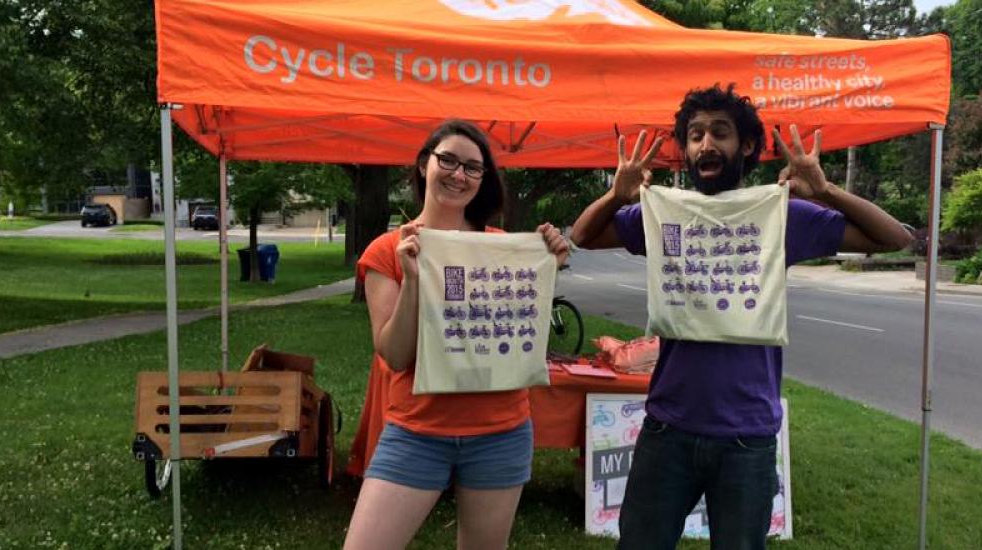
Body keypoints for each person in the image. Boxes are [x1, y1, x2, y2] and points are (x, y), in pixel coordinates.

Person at [570, 84, 914, 549]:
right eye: (694, 135)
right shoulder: (665, 215)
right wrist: (615, 195)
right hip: (668, 427)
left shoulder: (780, 216)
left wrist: (827, 191)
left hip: (746, 436)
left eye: (720, 132)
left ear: (747, 146)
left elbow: (895, 238)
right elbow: (583, 236)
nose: (705, 144)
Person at [343, 119, 570, 550]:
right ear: (423, 165)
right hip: (416, 430)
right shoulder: (386, 250)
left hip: (500, 431)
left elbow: (519, 329)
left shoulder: (504, 247)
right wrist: (413, 279)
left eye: (472, 167)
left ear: (482, 180)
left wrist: (547, 264)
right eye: (447, 160)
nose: (458, 174)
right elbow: (394, 355)